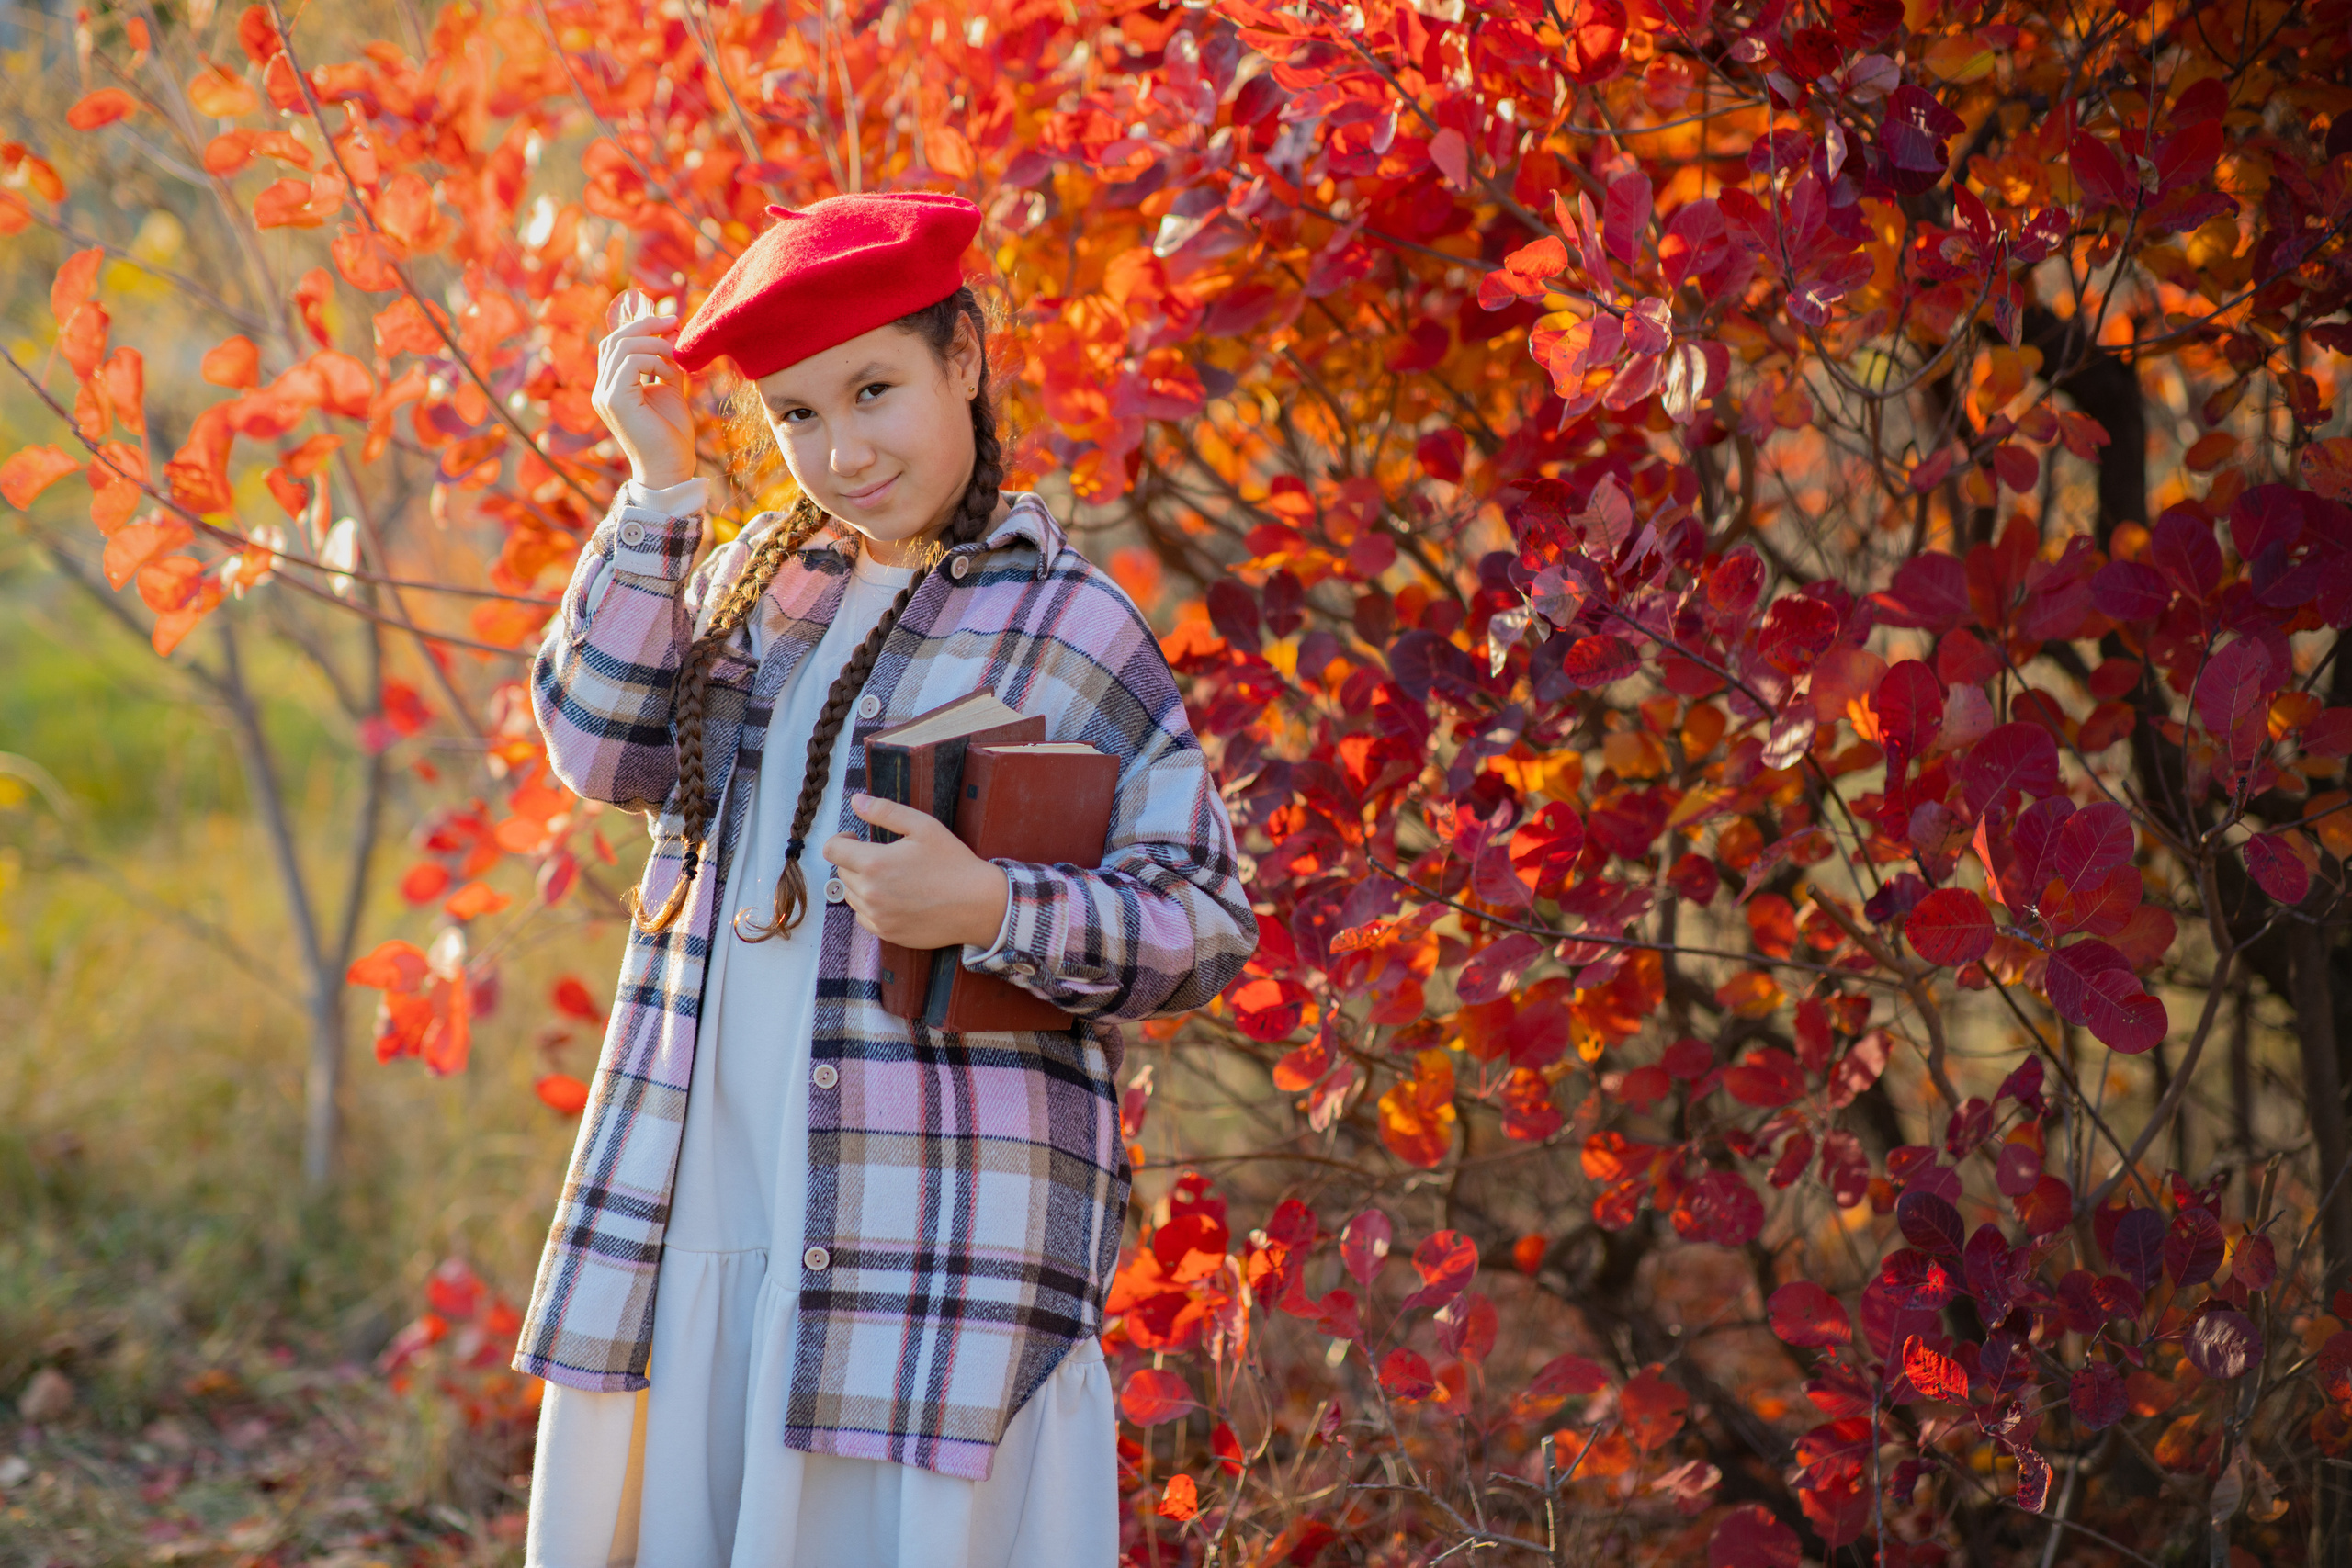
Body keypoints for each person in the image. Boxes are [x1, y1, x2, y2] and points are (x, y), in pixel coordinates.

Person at [514, 190, 1256, 1568]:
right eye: (796, 414)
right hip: (703, 1218)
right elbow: (599, 747)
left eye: (875, 390)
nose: (843, 450)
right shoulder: (751, 584)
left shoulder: (1066, 621)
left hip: (932, 1245)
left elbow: (1205, 927)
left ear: (963, 360)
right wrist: (658, 486)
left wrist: (995, 910)